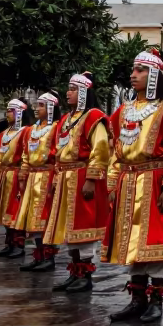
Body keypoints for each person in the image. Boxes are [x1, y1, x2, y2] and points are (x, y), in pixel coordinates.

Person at [104, 48, 163, 323]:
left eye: (140, 70)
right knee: (131, 244)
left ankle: (156, 300)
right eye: (133, 70)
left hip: (155, 181)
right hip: (127, 181)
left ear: (154, 74)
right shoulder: (122, 112)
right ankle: (137, 299)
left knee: (154, 242)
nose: (133, 75)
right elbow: (115, 151)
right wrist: (111, 182)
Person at [43, 72, 111, 293]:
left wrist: (91, 179)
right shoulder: (65, 119)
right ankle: (74, 272)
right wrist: (55, 178)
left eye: (72, 89)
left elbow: (100, 149)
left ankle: (85, 275)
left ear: (83, 92)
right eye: (68, 88)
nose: (67, 93)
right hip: (65, 178)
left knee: (83, 228)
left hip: (82, 176)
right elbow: (56, 152)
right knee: (67, 229)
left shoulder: (93, 117)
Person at [15, 92, 61, 273]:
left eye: (41, 105)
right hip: (32, 178)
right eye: (37, 104)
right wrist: (22, 176)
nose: (37, 108)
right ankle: (38, 255)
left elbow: (58, 155)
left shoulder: (57, 128)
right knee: (33, 220)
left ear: (50, 108)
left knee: (45, 219)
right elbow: (25, 155)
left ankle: (49, 257)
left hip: (47, 176)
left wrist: (55, 179)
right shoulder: (30, 130)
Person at [0, 99, 31, 259]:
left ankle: (19, 245)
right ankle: (9, 243)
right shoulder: (1, 135)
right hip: (4, 176)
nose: (7, 113)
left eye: (11, 110)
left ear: (19, 112)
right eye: (7, 110)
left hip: (17, 175)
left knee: (15, 211)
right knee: (3, 211)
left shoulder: (27, 132)